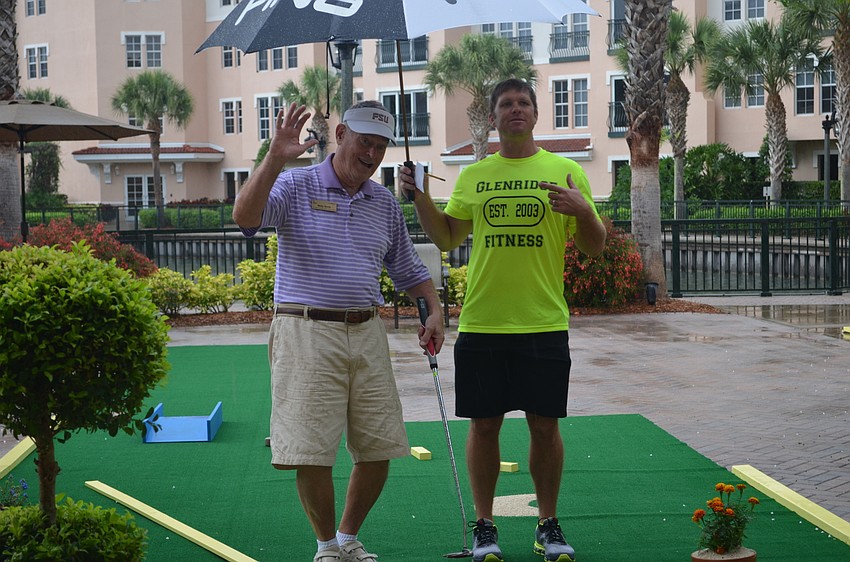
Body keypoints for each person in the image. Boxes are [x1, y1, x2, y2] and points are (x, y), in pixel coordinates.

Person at [400, 78, 607, 562]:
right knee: (484, 426)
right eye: (506, 104)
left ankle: (548, 526)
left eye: (523, 103)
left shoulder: (564, 171)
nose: (515, 110)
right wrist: (418, 197)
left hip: (543, 323)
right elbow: (448, 237)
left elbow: (594, 247)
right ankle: (485, 527)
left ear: (536, 114)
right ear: (492, 118)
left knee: (544, 427)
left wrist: (582, 212)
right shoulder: (475, 176)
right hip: (483, 324)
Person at [234, 100, 445, 562]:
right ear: (342, 135)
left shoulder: (383, 202)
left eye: (381, 146)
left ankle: (348, 537)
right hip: (305, 329)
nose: (371, 154)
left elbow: (409, 268)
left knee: (379, 445)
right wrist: (274, 158)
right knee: (311, 450)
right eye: (364, 142)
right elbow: (246, 217)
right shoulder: (295, 182)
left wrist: (432, 309)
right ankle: (327, 546)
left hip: (366, 330)